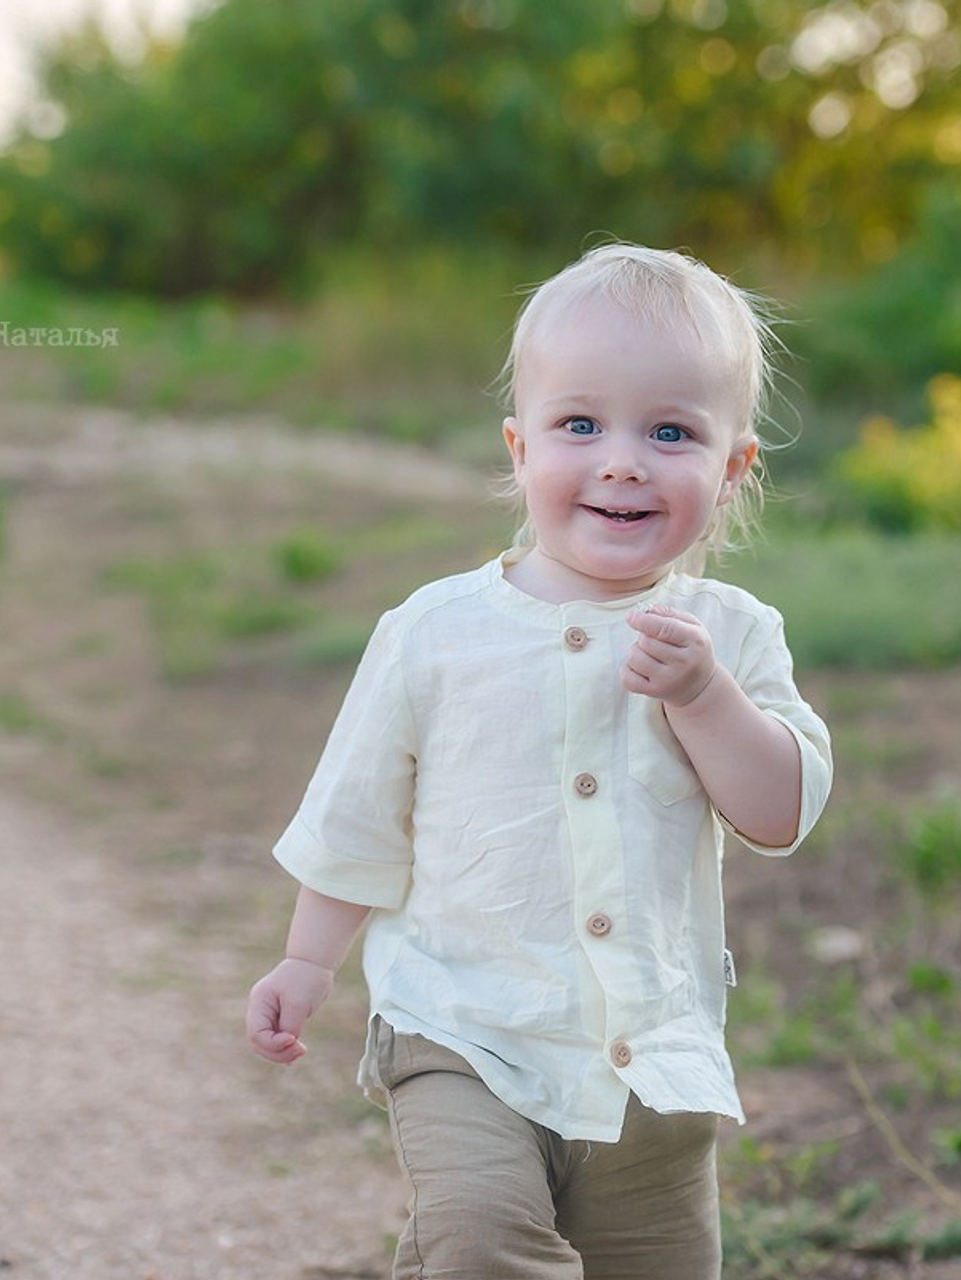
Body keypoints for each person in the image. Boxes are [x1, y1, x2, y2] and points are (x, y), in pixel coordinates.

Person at [246, 242, 833, 1279]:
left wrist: (704, 697)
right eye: (579, 424)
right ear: (519, 449)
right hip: (461, 1026)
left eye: (668, 431)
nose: (620, 460)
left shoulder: (729, 635)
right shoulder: (434, 632)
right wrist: (305, 960)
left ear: (731, 465)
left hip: (647, 1054)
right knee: (477, 1238)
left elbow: (777, 809)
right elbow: (357, 815)